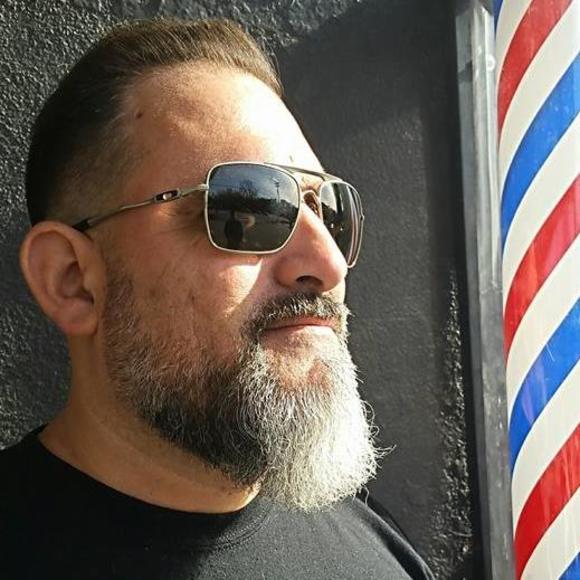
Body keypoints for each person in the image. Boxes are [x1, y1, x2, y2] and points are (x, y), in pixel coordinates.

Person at [0, 18, 433, 579]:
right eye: (248, 208)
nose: (328, 263)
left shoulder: (378, 555)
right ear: (72, 280)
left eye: (330, 211)